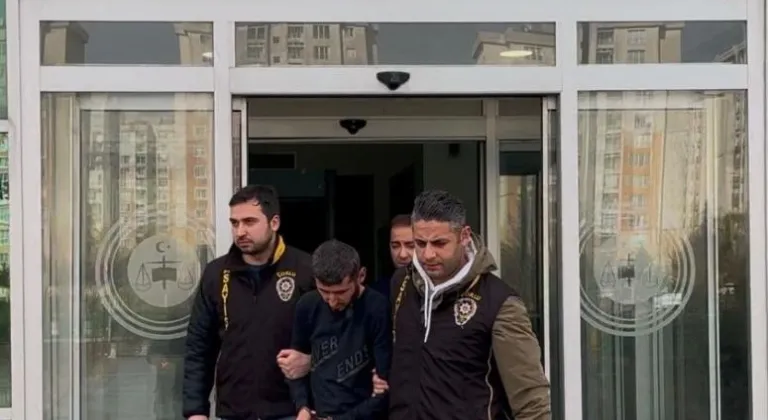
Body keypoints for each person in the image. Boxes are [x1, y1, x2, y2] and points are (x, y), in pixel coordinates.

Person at [377, 189, 551, 420]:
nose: (428, 254)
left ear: (464, 236)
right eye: (420, 243)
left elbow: (530, 399)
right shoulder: (402, 283)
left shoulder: (499, 303)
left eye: (439, 243)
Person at [182, 185, 314, 420]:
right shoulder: (216, 274)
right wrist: (196, 411)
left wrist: (312, 361)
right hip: (235, 410)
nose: (240, 231)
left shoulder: (305, 270)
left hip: (291, 410)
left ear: (274, 222)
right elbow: (199, 347)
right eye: (235, 223)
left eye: (249, 222)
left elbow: (337, 337)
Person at [287, 239, 391, 420]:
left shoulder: (377, 308)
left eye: (341, 292)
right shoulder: (307, 305)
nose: (332, 301)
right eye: (324, 291)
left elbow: (385, 386)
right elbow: (295, 368)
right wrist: (302, 406)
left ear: (361, 276)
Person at [369, 214, 414, 299]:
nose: (402, 255)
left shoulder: (436, 291)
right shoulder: (377, 293)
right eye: (395, 246)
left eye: (411, 246)